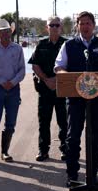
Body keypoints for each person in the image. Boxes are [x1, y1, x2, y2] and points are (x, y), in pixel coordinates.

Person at [54, 11, 98, 187]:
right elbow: (59, 67)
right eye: (81, 23)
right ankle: (72, 175)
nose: (85, 26)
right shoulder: (69, 45)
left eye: (88, 23)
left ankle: (92, 175)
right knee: (73, 136)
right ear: (77, 26)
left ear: (93, 25)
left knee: (96, 136)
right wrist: (67, 76)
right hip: (75, 99)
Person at [0, 19, 25, 166]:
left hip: (14, 90)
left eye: (7, 31)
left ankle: (5, 152)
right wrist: (2, 82)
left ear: (11, 32)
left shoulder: (18, 49)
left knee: (10, 123)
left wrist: (12, 82)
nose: (5, 34)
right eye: (2, 32)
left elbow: (22, 70)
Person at [28, 16, 68, 162]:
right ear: (47, 27)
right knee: (44, 122)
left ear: (61, 27)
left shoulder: (67, 44)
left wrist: (56, 80)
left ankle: (66, 149)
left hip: (62, 89)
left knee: (64, 122)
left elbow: (71, 66)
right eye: (51, 25)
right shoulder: (41, 44)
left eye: (57, 25)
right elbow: (35, 65)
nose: (54, 27)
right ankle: (43, 150)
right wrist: (46, 79)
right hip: (44, 89)